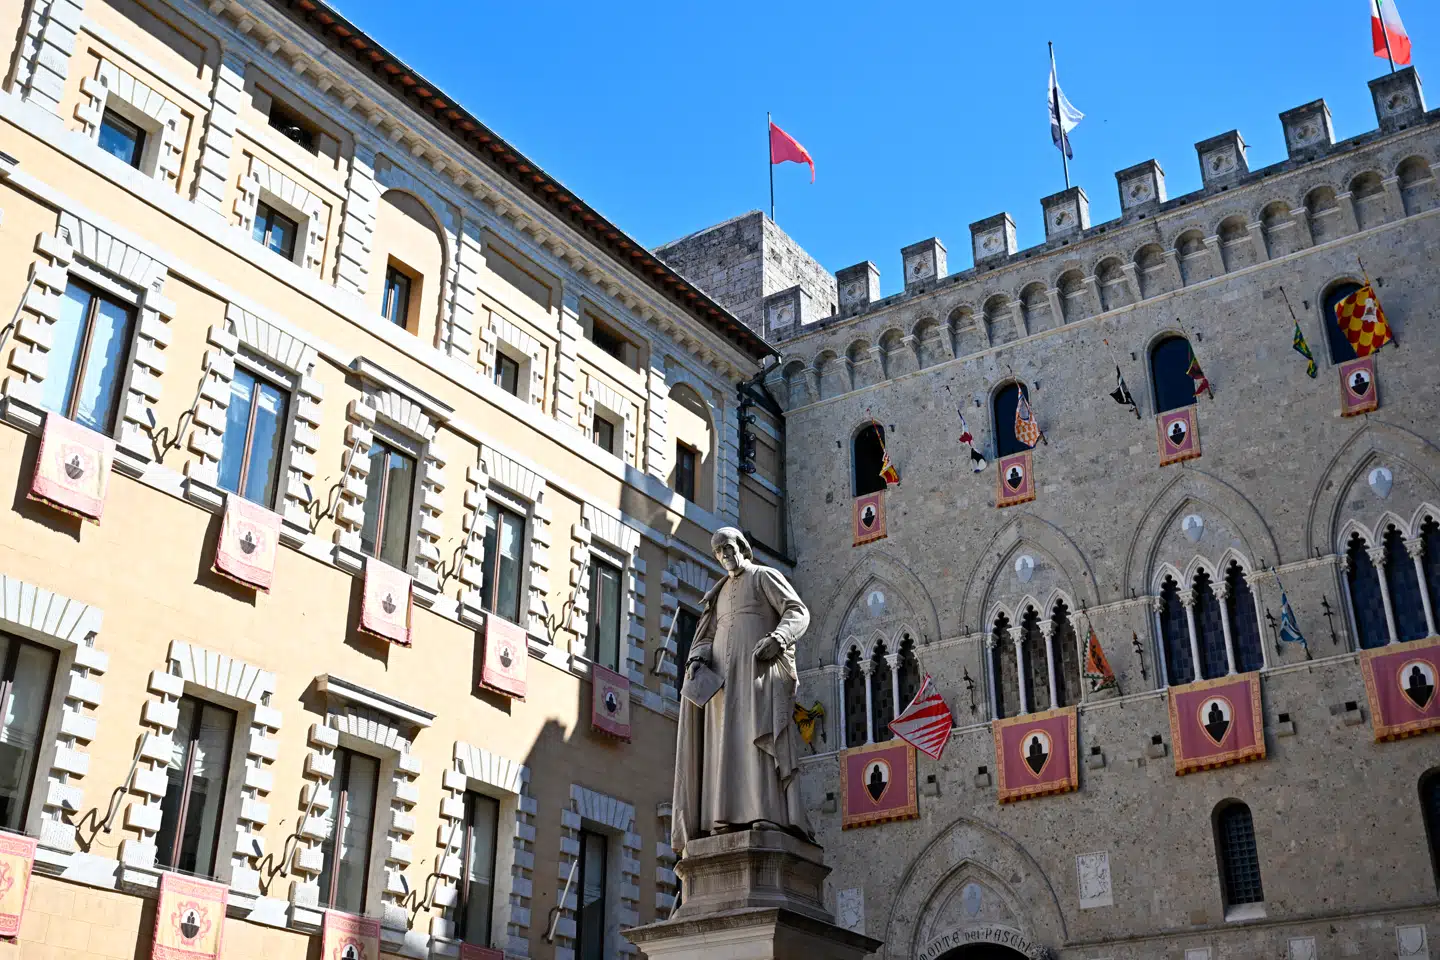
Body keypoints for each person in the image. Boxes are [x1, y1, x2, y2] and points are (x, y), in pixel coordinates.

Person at [671, 527, 813, 857]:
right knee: (724, 746)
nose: (725, 556)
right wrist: (697, 658)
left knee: (757, 738)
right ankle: (722, 818)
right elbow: (706, 636)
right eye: (719, 552)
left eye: (729, 548)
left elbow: (798, 612)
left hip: (756, 675)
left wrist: (778, 639)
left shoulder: (764, 576)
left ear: (743, 548)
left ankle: (765, 814)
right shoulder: (718, 593)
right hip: (722, 683)